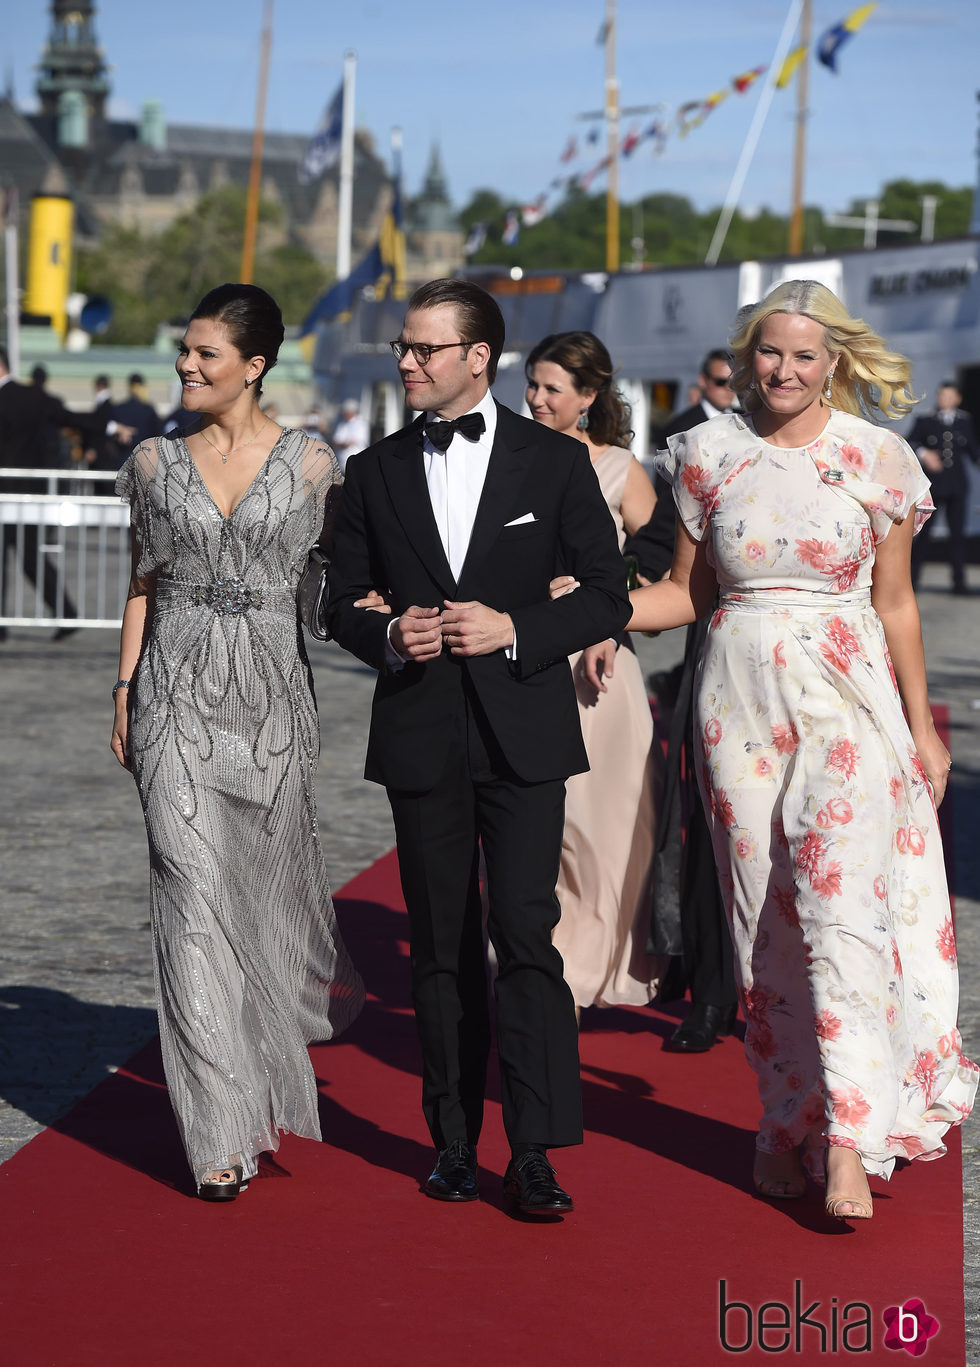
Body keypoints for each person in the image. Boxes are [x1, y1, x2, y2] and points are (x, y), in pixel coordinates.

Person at [586, 279, 978, 1222]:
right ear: (746, 355)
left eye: (806, 355)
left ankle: (849, 1137)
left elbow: (894, 604)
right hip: (736, 700)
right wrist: (587, 614)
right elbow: (687, 591)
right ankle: (784, 1120)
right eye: (771, 353)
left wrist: (923, 724)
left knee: (843, 905)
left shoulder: (876, 456)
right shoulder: (707, 453)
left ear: (833, 361)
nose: (787, 370)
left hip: (848, 696)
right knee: (764, 913)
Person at [326, 279, 630, 1216]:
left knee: (527, 936)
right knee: (441, 945)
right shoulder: (372, 471)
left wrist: (515, 626)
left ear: (477, 358)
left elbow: (608, 594)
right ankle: (452, 1142)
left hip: (527, 732)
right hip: (420, 731)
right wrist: (386, 636)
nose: (408, 362)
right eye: (403, 350)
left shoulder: (552, 462)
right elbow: (338, 599)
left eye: (424, 349)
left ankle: (534, 1149)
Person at [110, 283, 364, 1201]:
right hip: (172, 695)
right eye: (185, 350)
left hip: (270, 705)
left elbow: (341, 581)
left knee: (260, 904)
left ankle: (254, 1082)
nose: (186, 365)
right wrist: (127, 685)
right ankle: (215, 1130)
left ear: (254, 366)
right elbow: (141, 581)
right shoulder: (150, 463)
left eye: (206, 354)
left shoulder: (311, 464)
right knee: (188, 898)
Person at [524, 331, 663, 1014]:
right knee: (537, 830)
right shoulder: (509, 461)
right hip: (521, 659)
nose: (537, 398)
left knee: (595, 824)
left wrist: (608, 609)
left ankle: (583, 970)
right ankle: (537, 960)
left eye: (553, 388)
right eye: (532, 383)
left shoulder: (618, 469)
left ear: (588, 396)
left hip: (598, 674)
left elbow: (662, 564)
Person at [624, 349, 740, 1054]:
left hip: (817, 672)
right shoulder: (702, 451)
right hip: (716, 650)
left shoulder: (851, 452)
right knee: (704, 825)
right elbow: (656, 549)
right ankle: (710, 992)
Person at [907, 381, 980, 595]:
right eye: (941, 395)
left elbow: (973, 451)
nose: (944, 400)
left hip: (957, 485)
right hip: (933, 486)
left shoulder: (964, 422)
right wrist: (925, 454)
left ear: (957, 399)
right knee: (924, 533)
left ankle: (959, 583)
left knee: (957, 535)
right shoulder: (926, 420)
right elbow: (910, 442)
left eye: (949, 396)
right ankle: (912, 580)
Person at [111, 373, 161, 464]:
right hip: (145, 459)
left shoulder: (119, 408)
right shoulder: (148, 409)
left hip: (122, 458)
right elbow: (157, 435)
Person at [331, 398, 369, 474]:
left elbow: (351, 442)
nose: (343, 413)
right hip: (341, 464)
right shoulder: (342, 424)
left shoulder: (361, 424)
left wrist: (341, 444)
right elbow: (335, 442)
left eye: (345, 411)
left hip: (355, 465)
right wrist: (342, 444)